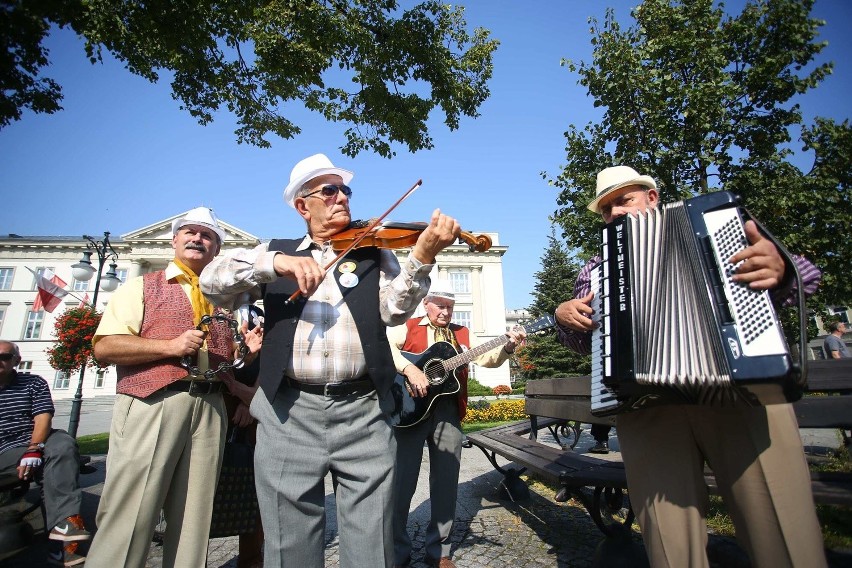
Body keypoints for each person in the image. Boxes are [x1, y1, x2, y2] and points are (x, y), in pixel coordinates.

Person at [555, 166, 826, 568]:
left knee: (784, 534)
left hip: (740, 394)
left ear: (651, 197)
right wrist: (565, 318)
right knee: (669, 547)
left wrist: (781, 269)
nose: (614, 213)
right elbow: (586, 342)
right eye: (606, 209)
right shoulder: (595, 268)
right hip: (646, 407)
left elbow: (807, 277)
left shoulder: (720, 226)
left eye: (623, 200)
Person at [200, 153, 461, 568]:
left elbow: (395, 310)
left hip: (363, 412)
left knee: (372, 544)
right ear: (303, 205)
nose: (342, 197)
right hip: (288, 412)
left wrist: (422, 257)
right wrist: (275, 264)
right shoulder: (274, 252)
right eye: (330, 190)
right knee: (289, 544)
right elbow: (212, 282)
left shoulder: (375, 251)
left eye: (345, 190)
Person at [85, 206, 263, 568]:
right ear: (175, 240)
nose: (198, 238)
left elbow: (222, 360)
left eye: (207, 235)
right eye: (190, 232)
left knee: (194, 520)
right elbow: (104, 347)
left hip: (211, 408)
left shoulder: (220, 300)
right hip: (155, 402)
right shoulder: (141, 286)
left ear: (216, 250)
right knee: (132, 512)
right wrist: (167, 346)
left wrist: (244, 352)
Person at [387, 280, 525, 568]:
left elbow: (488, 358)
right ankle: (395, 553)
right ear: (426, 303)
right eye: (441, 306)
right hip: (410, 410)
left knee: (447, 482)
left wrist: (508, 347)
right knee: (401, 482)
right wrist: (411, 369)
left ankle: (439, 553)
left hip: (448, 411)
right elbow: (385, 348)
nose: (446, 312)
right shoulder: (407, 325)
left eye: (451, 307)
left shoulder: (462, 333)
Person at [0, 340, 90, 567]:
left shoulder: (32, 382)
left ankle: (63, 528)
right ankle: (62, 543)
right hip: (6, 449)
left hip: (39, 439)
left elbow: (42, 417)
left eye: (4, 357)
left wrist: (34, 448)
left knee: (62, 446)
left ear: (16, 361)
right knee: (56, 462)